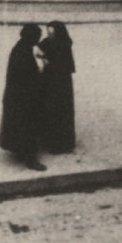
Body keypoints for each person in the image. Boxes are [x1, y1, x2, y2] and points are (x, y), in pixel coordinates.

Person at [0, 23, 47, 170]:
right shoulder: (23, 54)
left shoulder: (20, 48)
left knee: (19, 126)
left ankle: (21, 151)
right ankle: (30, 159)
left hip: (15, 96)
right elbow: (30, 77)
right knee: (29, 127)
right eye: (37, 37)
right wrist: (42, 70)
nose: (38, 40)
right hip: (23, 99)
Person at [39, 22, 76, 153]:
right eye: (48, 33)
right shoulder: (49, 42)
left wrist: (47, 61)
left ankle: (60, 144)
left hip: (60, 83)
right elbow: (39, 47)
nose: (49, 36)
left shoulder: (64, 45)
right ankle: (51, 141)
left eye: (51, 33)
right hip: (50, 82)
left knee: (60, 113)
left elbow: (63, 67)